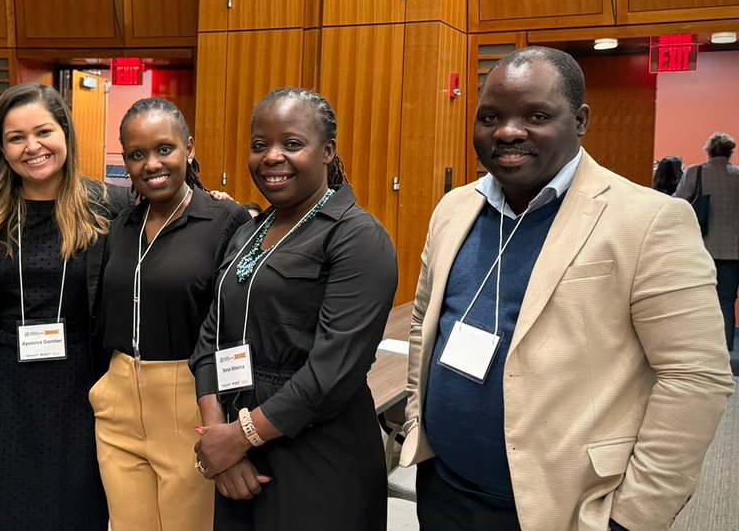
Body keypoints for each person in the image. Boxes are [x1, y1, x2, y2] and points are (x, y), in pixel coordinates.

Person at [401, 46, 734, 531]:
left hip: (563, 509)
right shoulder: (454, 208)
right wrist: (417, 421)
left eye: (536, 115)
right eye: (490, 116)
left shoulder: (649, 220)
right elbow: (423, 323)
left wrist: (632, 518)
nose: (508, 131)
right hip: (444, 491)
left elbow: (695, 379)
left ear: (579, 121)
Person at [191, 88, 397, 530]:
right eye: (260, 145)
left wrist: (241, 436)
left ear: (327, 152)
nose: (272, 157)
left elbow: (332, 371)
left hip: (317, 452)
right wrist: (217, 441)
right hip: (235, 445)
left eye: (292, 144)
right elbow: (210, 338)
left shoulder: (357, 237)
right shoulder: (248, 230)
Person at [0, 83, 127, 531]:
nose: (33, 147)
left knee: (71, 511)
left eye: (43, 132)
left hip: (78, 389)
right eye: (16, 138)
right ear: (1, 147)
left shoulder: (109, 206)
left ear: (65, 132)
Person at [94, 98, 250, 530]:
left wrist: (231, 429)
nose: (152, 164)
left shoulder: (226, 219)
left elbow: (236, 326)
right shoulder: (119, 221)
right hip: (119, 403)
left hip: (190, 403)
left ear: (189, 148)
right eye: (137, 154)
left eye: (165, 149)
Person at [675, 132, 739, 353]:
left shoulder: (696, 172)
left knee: (697, 299)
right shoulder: (738, 176)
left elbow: (678, 203)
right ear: (730, 152)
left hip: (701, 247)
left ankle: (699, 348)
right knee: (727, 301)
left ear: (709, 150)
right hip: (734, 251)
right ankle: (725, 349)